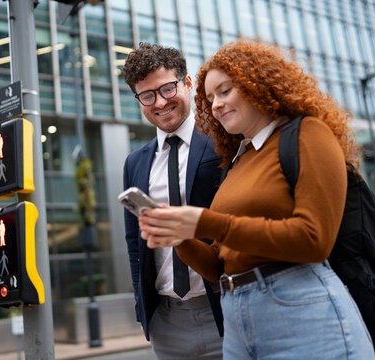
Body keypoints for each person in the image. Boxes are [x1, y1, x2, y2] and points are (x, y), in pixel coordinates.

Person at [138, 40, 375, 359]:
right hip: (237, 314)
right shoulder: (237, 161)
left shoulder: (308, 133)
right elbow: (218, 266)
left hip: (301, 309)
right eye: (210, 99)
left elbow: (314, 240)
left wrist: (206, 222)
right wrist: (179, 237)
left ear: (256, 83)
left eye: (225, 91)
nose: (216, 105)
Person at [121, 42, 224, 359]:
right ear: (139, 100)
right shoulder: (135, 163)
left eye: (167, 89)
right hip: (166, 319)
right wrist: (144, 309)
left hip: (223, 306)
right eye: (147, 96)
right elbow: (133, 240)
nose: (160, 102)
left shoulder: (223, 139)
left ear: (188, 84)